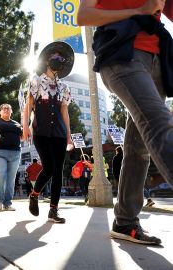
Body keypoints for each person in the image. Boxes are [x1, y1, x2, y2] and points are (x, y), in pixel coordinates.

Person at [78, 0, 173, 245]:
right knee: (160, 125)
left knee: (138, 149)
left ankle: (125, 221)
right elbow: (84, 15)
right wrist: (138, 11)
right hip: (123, 55)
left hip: (157, 62)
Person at [23, 41, 74, 223]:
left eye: (61, 58)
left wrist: (68, 135)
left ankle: (54, 210)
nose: (58, 60)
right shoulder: (35, 81)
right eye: (54, 57)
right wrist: (25, 128)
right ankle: (34, 194)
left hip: (59, 133)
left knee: (58, 171)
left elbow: (64, 111)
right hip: (40, 130)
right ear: (47, 61)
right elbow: (28, 106)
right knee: (49, 168)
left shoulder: (64, 87)